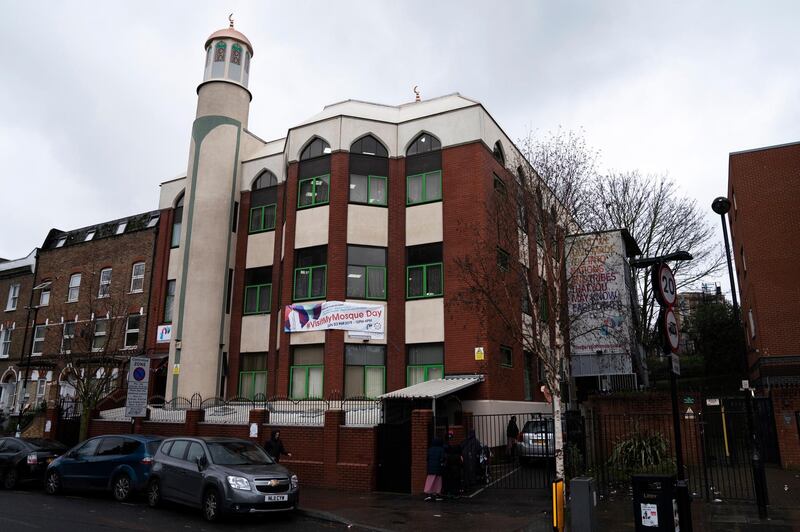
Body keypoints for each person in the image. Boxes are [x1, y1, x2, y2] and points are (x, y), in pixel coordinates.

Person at [443, 431, 462, 498]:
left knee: (450, 480)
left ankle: (449, 492)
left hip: (450, 468)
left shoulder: (446, 448)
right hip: (454, 468)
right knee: (455, 481)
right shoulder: (456, 452)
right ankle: (454, 493)